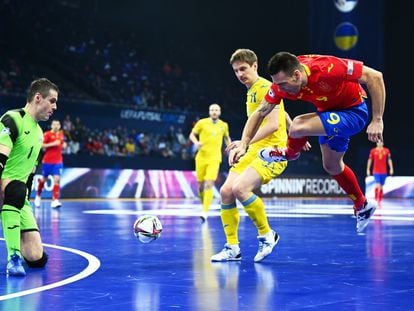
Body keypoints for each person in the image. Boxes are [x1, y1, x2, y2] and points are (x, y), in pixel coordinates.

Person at [231, 52, 386, 233]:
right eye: (277, 84)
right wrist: (244, 143)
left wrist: (377, 119)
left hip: (353, 113)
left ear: (297, 75)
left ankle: (288, 154)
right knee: (332, 166)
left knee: (298, 125)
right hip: (328, 115)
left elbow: (375, 76)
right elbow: (260, 112)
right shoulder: (280, 86)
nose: (279, 89)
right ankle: (362, 205)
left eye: (283, 84)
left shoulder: (329, 68)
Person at [210, 48, 292, 263]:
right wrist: (294, 128)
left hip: (272, 150)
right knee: (226, 191)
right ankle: (232, 248)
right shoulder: (252, 90)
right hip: (255, 148)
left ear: (255, 65)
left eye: (243, 69)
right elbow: (281, 112)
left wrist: (245, 143)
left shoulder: (265, 87)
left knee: (240, 189)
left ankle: (267, 235)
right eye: (236, 70)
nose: (239, 74)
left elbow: (273, 125)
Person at [0, 78, 58, 276]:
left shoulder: (40, 133)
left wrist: (26, 203)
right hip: (5, 185)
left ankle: (23, 250)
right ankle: (13, 257)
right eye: (52, 101)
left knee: (36, 259)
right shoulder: (12, 119)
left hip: (19, 195)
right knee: (16, 189)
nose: (55, 107)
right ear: (38, 98)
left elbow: (31, 172)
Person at [189, 103, 231, 222]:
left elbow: (227, 138)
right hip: (201, 158)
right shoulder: (202, 123)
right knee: (201, 186)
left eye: (216, 110)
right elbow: (192, 135)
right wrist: (196, 143)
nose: (214, 112)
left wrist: (231, 149)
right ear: (209, 112)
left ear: (219, 112)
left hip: (215, 158)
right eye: (212, 110)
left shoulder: (224, 125)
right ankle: (204, 205)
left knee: (209, 183)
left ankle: (205, 211)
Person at [34, 119, 66, 208]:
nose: (56, 126)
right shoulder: (47, 134)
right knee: (43, 180)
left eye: (58, 124)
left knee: (57, 180)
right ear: (51, 125)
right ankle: (38, 196)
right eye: (54, 124)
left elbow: (61, 144)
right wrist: (53, 144)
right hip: (47, 161)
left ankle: (55, 200)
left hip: (58, 161)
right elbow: (41, 146)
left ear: (59, 126)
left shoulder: (61, 134)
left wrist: (64, 146)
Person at [366, 141, 394, 205]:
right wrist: (368, 169)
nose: (379, 143)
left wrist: (391, 168)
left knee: (381, 186)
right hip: (376, 171)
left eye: (381, 142)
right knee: (378, 185)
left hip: (384, 171)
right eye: (378, 142)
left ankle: (380, 200)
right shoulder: (373, 151)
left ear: (383, 143)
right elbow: (370, 160)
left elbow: (389, 160)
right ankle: (377, 200)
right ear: (376, 143)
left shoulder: (386, 150)